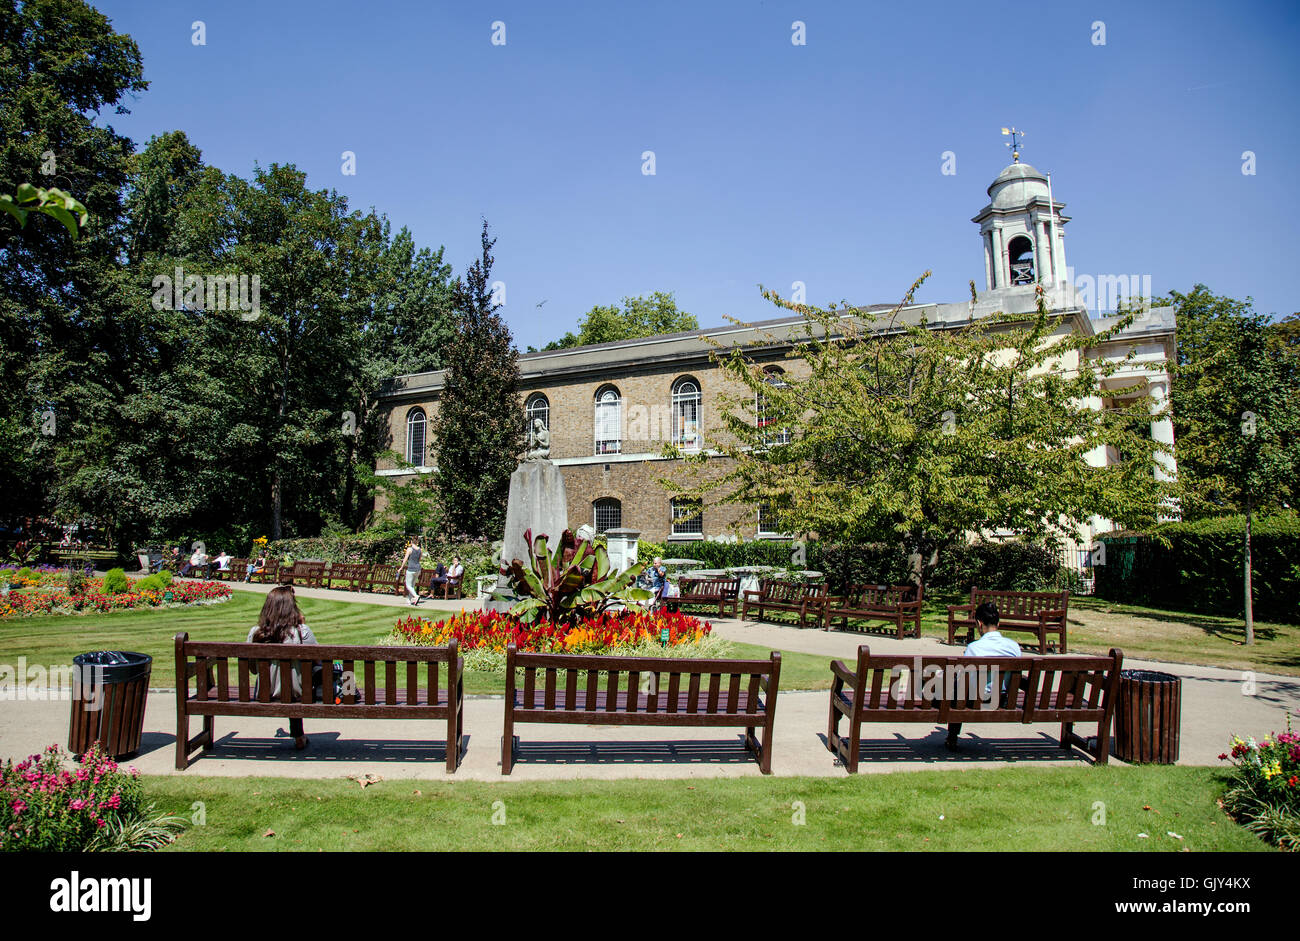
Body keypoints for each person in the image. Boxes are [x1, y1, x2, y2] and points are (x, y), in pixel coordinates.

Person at [247, 585, 317, 750]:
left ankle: (298, 734)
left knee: (287, 681)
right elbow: (317, 662)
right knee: (293, 681)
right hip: (299, 692)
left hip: (265, 692)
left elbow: (253, 669)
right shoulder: (302, 632)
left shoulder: (255, 633)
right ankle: (299, 735)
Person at [945, 601, 1022, 751]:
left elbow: (963, 680)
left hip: (974, 700)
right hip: (1002, 698)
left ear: (979, 624)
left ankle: (952, 736)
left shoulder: (974, 648)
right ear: (998, 623)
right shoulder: (1014, 647)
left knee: (955, 689)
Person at [399, 537, 423, 606]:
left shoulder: (410, 549)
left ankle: (416, 596)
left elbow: (405, 559)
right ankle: (409, 600)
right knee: (412, 585)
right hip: (418, 568)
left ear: (412, 541)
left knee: (408, 585)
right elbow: (419, 559)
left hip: (411, 568)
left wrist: (401, 568)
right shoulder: (420, 550)